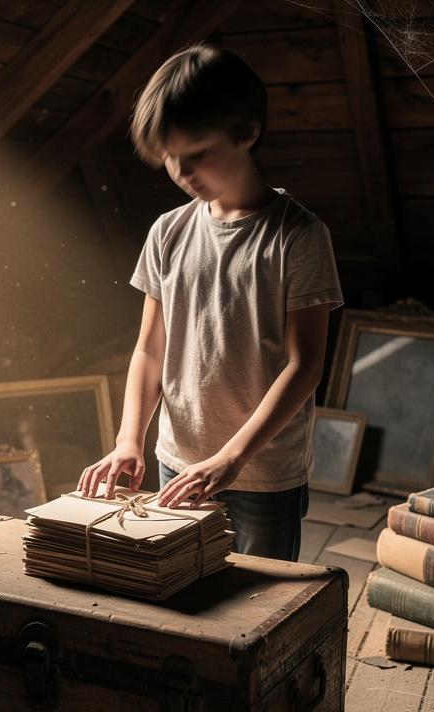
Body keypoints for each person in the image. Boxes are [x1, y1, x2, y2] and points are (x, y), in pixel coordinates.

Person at [76, 42, 343, 562]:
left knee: (258, 609)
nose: (181, 171)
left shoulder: (298, 236)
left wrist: (231, 458)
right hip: (178, 462)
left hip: (263, 474)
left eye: (196, 154)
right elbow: (149, 352)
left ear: (247, 133)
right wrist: (130, 438)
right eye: (169, 158)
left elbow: (305, 365)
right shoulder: (167, 232)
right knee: (179, 591)